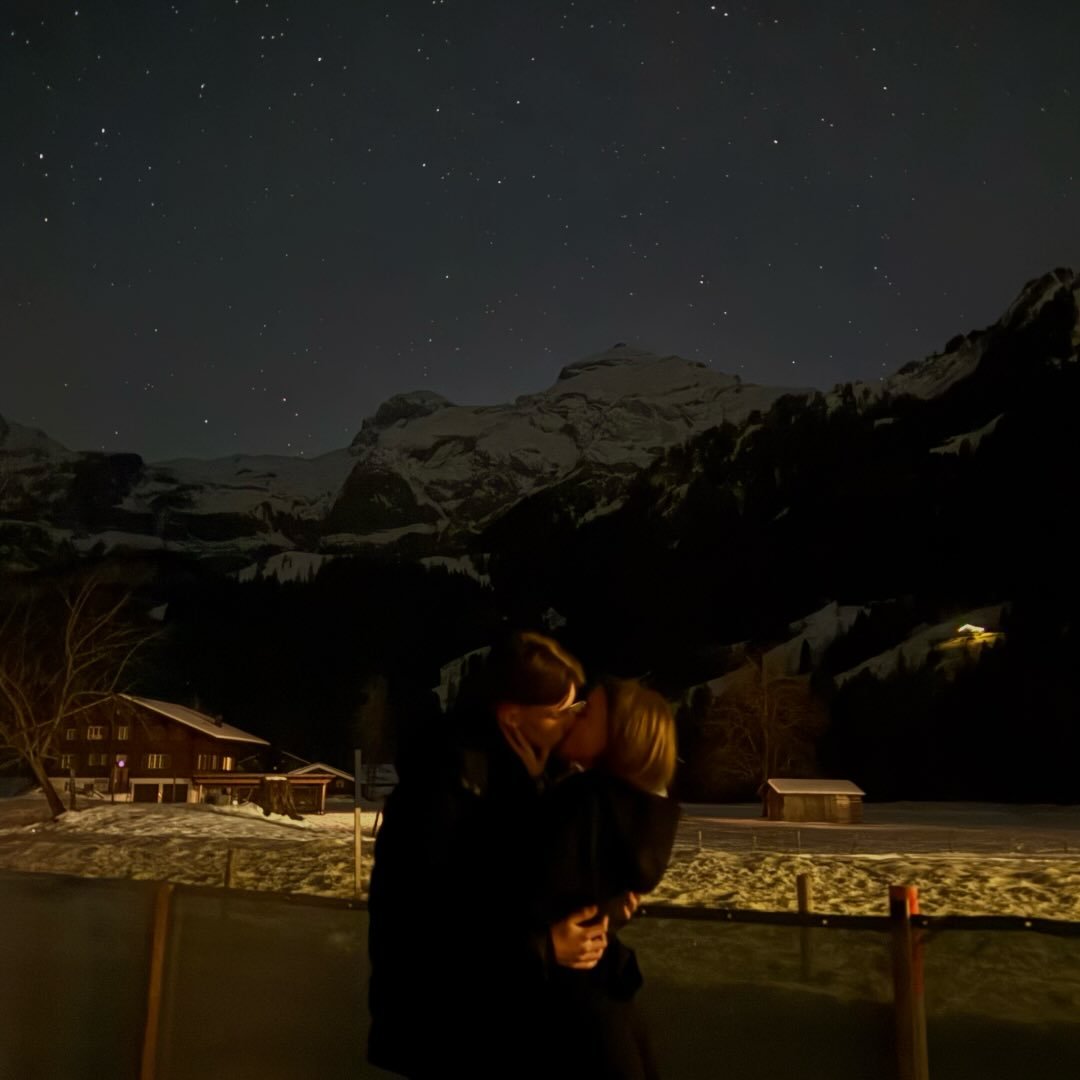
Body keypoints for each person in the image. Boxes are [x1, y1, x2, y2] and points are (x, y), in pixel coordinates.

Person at [366, 631, 610, 1079]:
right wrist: (544, 947)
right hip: (451, 1034)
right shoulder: (444, 787)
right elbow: (423, 926)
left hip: (502, 1024)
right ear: (512, 716)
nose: (570, 722)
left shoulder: (527, 777)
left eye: (573, 708)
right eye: (557, 712)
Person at [531, 677, 681, 1080]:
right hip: (610, 1005)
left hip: (563, 1020)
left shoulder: (579, 804)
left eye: (588, 712)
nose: (574, 716)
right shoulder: (639, 819)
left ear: (619, 734)